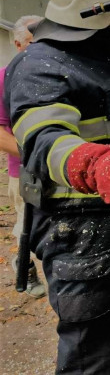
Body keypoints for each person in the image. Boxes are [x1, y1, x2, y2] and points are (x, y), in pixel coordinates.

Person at [4, 0, 110, 375]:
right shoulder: (41, 65)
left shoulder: (103, 58)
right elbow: (41, 136)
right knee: (90, 355)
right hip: (80, 235)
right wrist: (92, 164)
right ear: (97, 9)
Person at [0, 15, 45, 298]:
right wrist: (41, 152)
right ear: (18, 45)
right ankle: (25, 267)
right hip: (24, 170)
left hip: (58, 168)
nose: (41, 49)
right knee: (24, 224)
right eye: (33, 43)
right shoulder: (3, 78)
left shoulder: (55, 75)